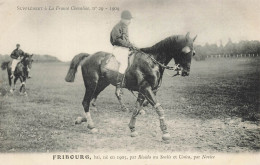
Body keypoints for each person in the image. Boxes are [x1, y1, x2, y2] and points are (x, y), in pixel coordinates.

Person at [110, 10, 138, 96]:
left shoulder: (125, 26)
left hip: (125, 48)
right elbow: (117, 40)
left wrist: (132, 45)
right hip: (118, 48)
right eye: (128, 19)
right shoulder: (117, 27)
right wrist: (129, 44)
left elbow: (125, 40)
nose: (129, 21)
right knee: (124, 64)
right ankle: (118, 86)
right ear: (123, 19)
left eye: (130, 19)